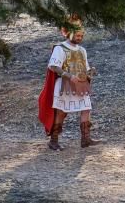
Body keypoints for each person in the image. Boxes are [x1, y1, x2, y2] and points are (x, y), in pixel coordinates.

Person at [38, 17, 101, 150]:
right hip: (64, 85)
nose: (79, 37)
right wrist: (69, 76)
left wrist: (90, 72)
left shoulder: (82, 50)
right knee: (61, 112)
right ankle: (53, 141)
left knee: (86, 109)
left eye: (81, 35)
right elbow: (53, 66)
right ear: (69, 33)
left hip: (81, 85)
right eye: (77, 35)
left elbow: (85, 67)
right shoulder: (60, 48)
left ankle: (85, 139)